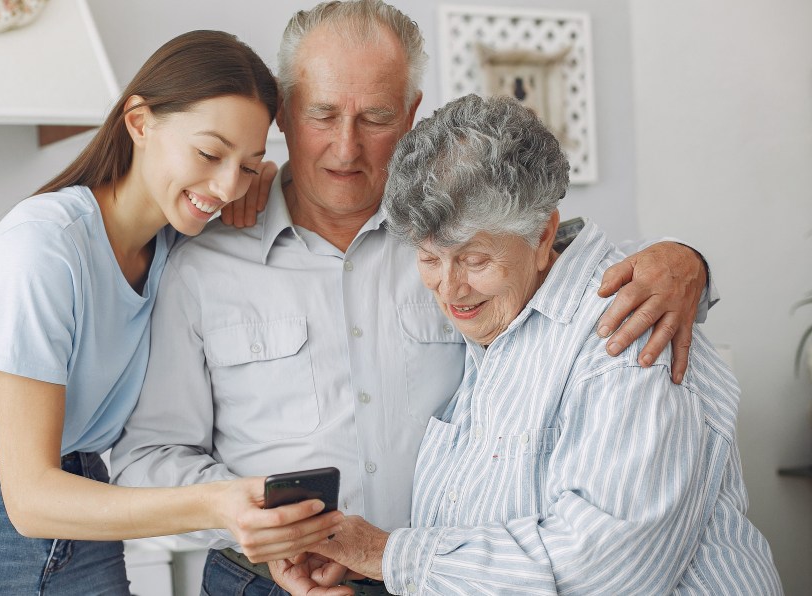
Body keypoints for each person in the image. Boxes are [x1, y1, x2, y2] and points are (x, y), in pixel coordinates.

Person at [109, 2, 713, 594]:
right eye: (322, 115)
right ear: (284, 113)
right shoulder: (201, 261)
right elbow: (149, 458)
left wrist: (690, 264)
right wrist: (263, 523)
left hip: (452, 576)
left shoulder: (454, 232)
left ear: (410, 113)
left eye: (374, 117)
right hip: (266, 582)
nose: (345, 149)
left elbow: (563, 267)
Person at [0, 30, 342, 596]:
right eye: (209, 153)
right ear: (139, 121)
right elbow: (30, 499)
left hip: (88, 498)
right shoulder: (43, 250)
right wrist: (220, 504)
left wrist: (266, 182)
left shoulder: (177, 247)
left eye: (249, 165)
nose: (228, 185)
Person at [277, 93, 781, 596]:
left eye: (474, 260)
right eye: (429, 259)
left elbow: (604, 573)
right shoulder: (501, 318)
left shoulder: (625, 337)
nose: (450, 290)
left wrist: (389, 555)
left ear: (543, 238)